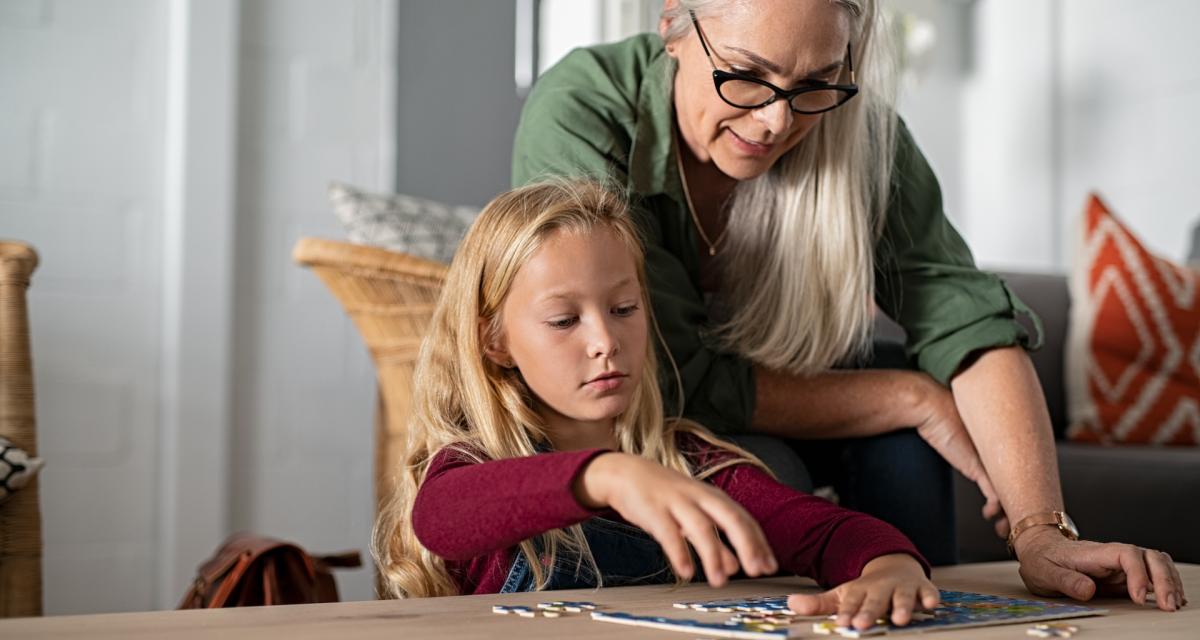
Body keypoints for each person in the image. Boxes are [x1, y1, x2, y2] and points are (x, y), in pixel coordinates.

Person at [511, 0, 1186, 610]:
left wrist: (1041, 533)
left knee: (899, 450)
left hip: (778, 378)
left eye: (814, 85)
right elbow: (656, 374)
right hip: (643, 420)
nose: (776, 122)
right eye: (745, 74)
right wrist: (911, 397)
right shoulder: (581, 107)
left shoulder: (860, 132)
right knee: (774, 464)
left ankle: (925, 608)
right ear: (673, 27)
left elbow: (967, 320)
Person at [372, 179, 939, 632]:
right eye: (565, 320)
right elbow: (440, 517)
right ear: (494, 340)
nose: (605, 341)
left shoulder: (693, 463)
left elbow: (824, 532)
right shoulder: (471, 468)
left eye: (623, 308)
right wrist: (605, 476)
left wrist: (890, 566)